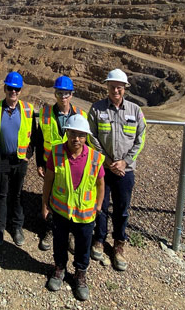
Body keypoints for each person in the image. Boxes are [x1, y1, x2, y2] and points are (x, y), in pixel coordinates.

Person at [87, 68, 146, 271]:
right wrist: (107, 159)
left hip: (125, 171)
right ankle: (99, 240)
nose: (115, 90)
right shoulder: (96, 109)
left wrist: (125, 162)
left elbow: (141, 139)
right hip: (103, 168)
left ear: (125, 89)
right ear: (107, 87)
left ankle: (119, 244)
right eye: (112, 87)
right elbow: (91, 136)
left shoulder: (135, 111)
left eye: (119, 87)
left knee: (122, 209)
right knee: (101, 207)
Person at [42, 114, 105, 301]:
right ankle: (59, 268)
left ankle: (80, 274)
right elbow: (48, 181)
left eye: (80, 135)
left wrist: (99, 205)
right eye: (72, 134)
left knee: (83, 246)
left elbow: (101, 184)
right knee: (59, 242)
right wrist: (45, 204)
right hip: (61, 211)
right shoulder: (56, 153)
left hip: (85, 214)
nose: (76, 139)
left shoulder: (95, 157)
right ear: (66, 133)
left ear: (86, 137)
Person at [34, 75, 87, 251]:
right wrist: (39, 163)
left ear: (71, 95)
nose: (63, 97)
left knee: (71, 199)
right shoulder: (46, 113)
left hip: (73, 164)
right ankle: (49, 230)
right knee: (50, 196)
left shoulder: (81, 115)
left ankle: (71, 234)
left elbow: (86, 142)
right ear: (55, 94)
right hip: (51, 164)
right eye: (59, 93)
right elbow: (40, 140)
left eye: (66, 93)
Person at [0, 71, 35, 246]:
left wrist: (30, 154)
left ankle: (16, 227)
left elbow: (34, 134)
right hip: (1, 160)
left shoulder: (28, 110)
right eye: (10, 88)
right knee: (1, 194)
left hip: (20, 160)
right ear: (4, 89)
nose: (13, 92)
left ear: (20, 91)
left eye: (16, 89)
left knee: (17, 195)